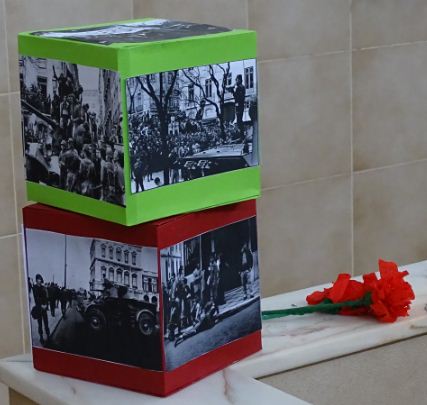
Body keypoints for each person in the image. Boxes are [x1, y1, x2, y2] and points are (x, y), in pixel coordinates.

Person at [32, 274, 50, 344]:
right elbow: (36, 298)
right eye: (38, 279)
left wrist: (46, 305)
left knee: (46, 323)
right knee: (40, 324)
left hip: (44, 308)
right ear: (36, 280)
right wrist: (41, 305)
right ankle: (41, 337)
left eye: (40, 279)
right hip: (39, 308)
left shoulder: (43, 287)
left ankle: (48, 335)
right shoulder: (34, 287)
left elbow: (46, 297)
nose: (39, 280)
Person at [228, 74, 246, 139]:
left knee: (239, 120)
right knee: (239, 120)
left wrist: (232, 91)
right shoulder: (241, 87)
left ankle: (242, 136)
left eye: (237, 79)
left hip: (239, 105)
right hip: (240, 105)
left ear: (240, 80)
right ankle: (241, 135)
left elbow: (237, 97)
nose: (236, 81)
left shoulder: (240, 87)